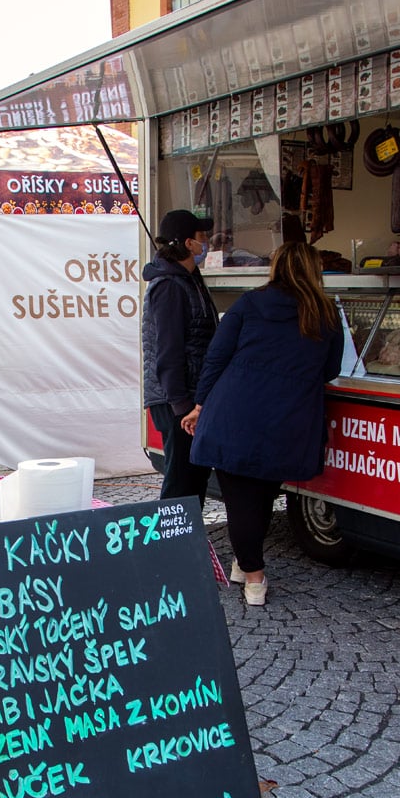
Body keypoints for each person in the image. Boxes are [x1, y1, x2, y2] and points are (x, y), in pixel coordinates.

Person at [181, 242, 343, 607]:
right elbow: (331, 370)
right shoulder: (326, 313)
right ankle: (243, 563)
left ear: (276, 268)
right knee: (263, 497)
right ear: (314, 271)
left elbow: (216, 357)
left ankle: (253, 579)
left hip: (234, 415)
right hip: (288, 420)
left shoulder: (250, 303)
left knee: (241, 502)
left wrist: (199, 406)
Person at [141, 209, 219, 505]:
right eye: (203, 237)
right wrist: (182, 405)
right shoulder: (170, 287)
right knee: (181, 484)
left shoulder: (189, 279)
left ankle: (189, 544)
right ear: (189, 243)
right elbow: (168, 350)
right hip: (176, 400)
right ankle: (171, 546)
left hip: (188, 396)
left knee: (194, 478)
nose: (207, 243)